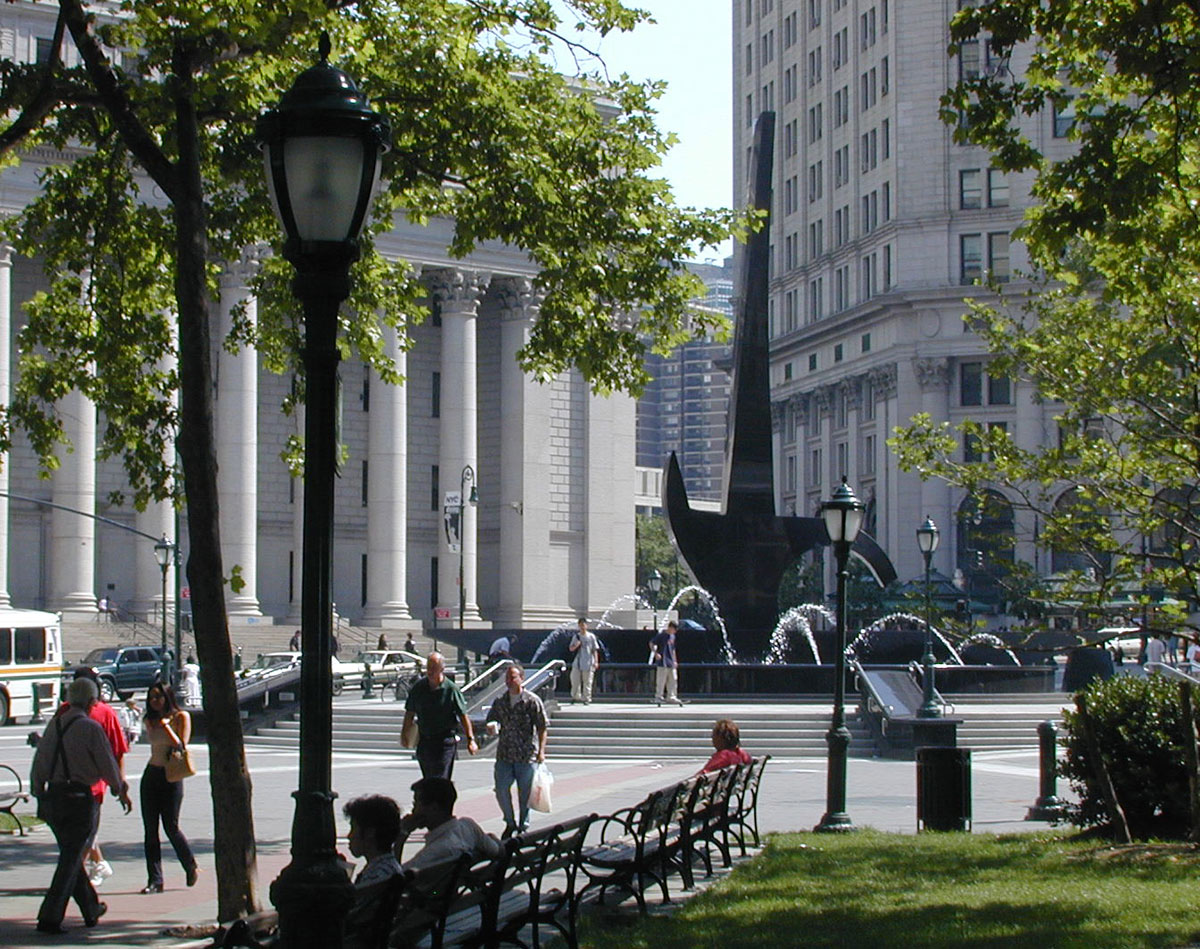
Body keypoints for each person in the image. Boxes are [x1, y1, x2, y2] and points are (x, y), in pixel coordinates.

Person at [30, 677, 131, 935]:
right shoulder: (90, 728)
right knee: (70, 859)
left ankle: (91, 908)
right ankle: (50, 917)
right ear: (91, 701)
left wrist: (38, 790)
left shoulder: (55, 724)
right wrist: (119, 789)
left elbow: (40, 760)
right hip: (79, 799)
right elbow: (107, 763)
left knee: (71, 855)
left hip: (54, 797)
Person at [64, 667, 128, 890]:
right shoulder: (65, 711)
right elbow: (118, 753)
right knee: (83, 833)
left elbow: (117, 751)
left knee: (84, 835)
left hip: (91, 786)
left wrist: (119, 783)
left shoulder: (104, 713)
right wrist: (120, 786)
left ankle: (74, 880)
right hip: (71, 783)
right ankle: (97, 866)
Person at [140, 683, 200, 893]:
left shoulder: (181, 717)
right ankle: (155, 880)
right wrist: (155, 724)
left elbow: (181, 745)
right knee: (150, 830)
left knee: (171, 826)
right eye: (151, 697)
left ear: (167, 697)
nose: (154, 701)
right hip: (151, 774)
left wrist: (166, 726)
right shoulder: (149, 719)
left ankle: (190, 865)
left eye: (158, 696)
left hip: (172, 776)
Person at [485, 664, 548, 838]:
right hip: (505, 753)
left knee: (525, 793)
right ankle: (509, 822)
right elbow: (491, 720)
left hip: (526, 754)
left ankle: (523, 825)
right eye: (507, 678)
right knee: (501, 789)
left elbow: (542, 727)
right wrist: (490, 727)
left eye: (513, 677)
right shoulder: (500, 701)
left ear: (522, 678)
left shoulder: (531, 701)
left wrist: (541, 751)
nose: (509, 681)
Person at [394, 777, 501, 873]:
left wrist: (401, 836)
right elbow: (497, 850)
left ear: (433, 808)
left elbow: (393, 879)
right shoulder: (468, 826)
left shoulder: (435, 852)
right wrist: (492, 837)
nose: (413, 811)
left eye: (416, 804)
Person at [402, 652, 478, 779]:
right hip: (425, 741)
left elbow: (463, 715)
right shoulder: (419, 688)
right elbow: (409, 713)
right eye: (428, 667)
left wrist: (471, 740)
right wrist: (405, 733)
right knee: (428, 780)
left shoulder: (451, 689)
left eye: (434, 668)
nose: (430, 671)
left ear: (442, 669)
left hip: (445, 742)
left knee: (441, 779)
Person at [342, 794, 403, 949]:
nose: (349, 836)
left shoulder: (376, 875)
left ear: (369, 833)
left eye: (353, 828)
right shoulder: (389, 869)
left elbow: (349, 918)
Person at [650, 619, 684, 705]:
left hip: (671, 662)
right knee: (661, 680)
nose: (675, 632)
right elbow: (651, 643)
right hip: (662, 661)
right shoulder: (661, 635)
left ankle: (671, 697)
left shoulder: (673, 637)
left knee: (673, 679)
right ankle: (658, 697)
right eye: (674, 629)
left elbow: (673, 649)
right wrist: (656, 653)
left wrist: (675, 660)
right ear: (670, 627)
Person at [568, 617, 600, 705]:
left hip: (588, 662)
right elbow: (571, 648)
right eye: (580, 625)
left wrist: (596, 661)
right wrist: (577, 645)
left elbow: (595, 650)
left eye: (583, 625)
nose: (582, 627)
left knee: (587, 681)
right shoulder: (576, 636)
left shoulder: (591, 636)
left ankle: (586, 698)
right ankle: (575, 697)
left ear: (586, 626)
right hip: (577, 662)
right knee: (575, 680)